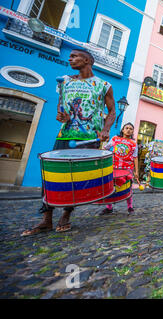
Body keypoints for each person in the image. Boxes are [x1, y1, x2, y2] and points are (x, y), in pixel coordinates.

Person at [21, 49, 116, 236]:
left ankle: (66, 215)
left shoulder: (104, 85)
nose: (70, 59)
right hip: (64, 136)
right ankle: (46, 219)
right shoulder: (65, 81)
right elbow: (60, 106)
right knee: (52, 177)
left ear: (87, 60)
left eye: (74, 56)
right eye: (70, 56)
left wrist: (106, 129)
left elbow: (112, 111)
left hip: (89, 140)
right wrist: (62, 116)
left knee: (75, 179)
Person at [100, 122, 139, 215]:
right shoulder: (115, 139)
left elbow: (135, 157)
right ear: (122, 130)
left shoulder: (134, 143)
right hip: (113, 167)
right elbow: (105, 148)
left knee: (128, 187)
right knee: (110, 187)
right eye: (127, 128)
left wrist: (136, 171)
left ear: (133, 131)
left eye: (131, 128)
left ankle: (130, 207)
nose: (128, 130)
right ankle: (109, 207)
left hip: (127, 169)